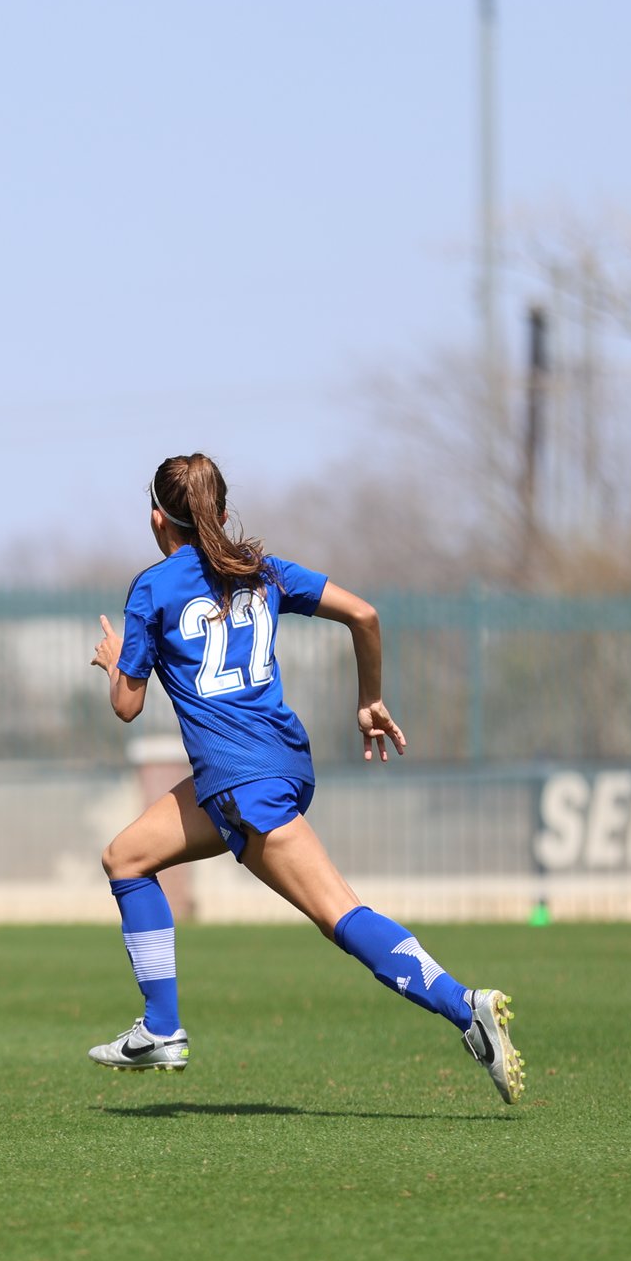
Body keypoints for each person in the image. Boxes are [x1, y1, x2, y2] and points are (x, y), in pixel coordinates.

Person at [85, 453, 525, 1103]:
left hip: (241, 782)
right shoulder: (261, 571)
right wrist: (370, 698)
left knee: (340, 914)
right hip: (275, 763)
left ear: (157, 518)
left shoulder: (154, 586)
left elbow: (128, 706)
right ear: (223, 514)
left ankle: (468, 1007)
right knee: (126, 857)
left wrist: (117, 660)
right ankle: (160, 1028)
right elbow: (366, 615)